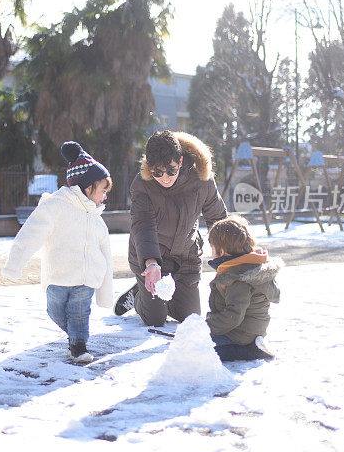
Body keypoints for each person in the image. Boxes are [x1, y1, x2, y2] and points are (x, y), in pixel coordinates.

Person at [1, 142, 114, 363]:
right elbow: (30, 234)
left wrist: (105, 292)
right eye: (103, 191)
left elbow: (106, 255)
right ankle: (75, 336)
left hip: (87, 278)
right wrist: (14, 265)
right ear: (88, 187)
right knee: (55, 311)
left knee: (80, 313)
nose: (105, 197)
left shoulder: (96, 218)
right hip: (58, 276)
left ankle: (79, 346)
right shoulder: (55, 207)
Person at [116, 130, 227, 326]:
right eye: (157, 172)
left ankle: (159, 295)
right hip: (152, 257)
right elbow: (143, 226)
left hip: (186, 257)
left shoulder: (202, 180)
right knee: (155, 319)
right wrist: (150, 263)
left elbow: (217, 218)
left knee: (189, 317)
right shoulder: (142, 185)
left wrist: (229, 253)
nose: (165, 177)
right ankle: (139, 295)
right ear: (150, 168)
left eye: (171, 170)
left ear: (181, 162)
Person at [206, 215, 281, 361]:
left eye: (213, 248)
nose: (212, 253)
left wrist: (204, 328)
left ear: (222, 251)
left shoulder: (238, 277)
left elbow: (233, 316)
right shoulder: (245, 268)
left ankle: (250, 351)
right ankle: (250, 346)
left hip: (240, 335)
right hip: (249, 330)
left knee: (201, 350)